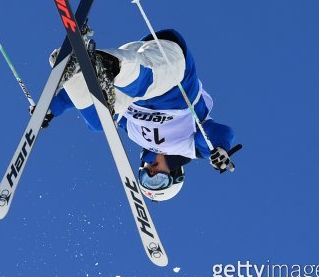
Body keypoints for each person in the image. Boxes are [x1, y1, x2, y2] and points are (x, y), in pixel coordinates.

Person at [43, 27, 237, 202]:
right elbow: (216, 135)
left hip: (131, 62)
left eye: (146, 178)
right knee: (145, 84)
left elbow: (97, 100)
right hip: (171, 72)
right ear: (175, 173)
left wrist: (52, 108)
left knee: (99, 122)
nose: (151, 172)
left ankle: (76, 68)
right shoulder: (188, 148)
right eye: (159, 180)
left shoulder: (134, 133)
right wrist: (219, 150)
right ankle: (105, 64)